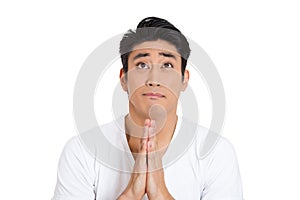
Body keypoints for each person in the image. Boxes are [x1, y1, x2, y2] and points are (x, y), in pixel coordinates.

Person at [52, 17, 243, 200]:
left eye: (167, 65)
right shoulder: (82, 151)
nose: (154, 80)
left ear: (184, 79)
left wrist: (160, 194)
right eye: (141, 65)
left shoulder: (216, 152)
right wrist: (130, 194)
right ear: (124, 78)